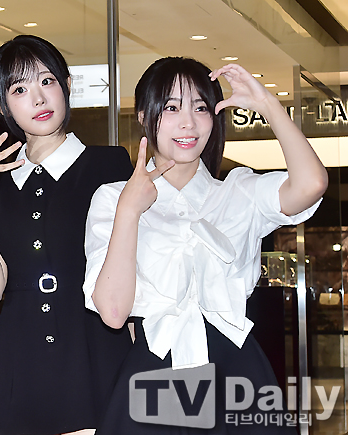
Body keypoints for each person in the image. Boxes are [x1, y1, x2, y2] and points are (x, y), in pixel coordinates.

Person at [83, 58, 327, 433]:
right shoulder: (114, 198)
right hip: (156, 367)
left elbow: (312, 184)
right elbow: (114, 313)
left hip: (237, 371)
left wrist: (268, 105)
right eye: (171, 107)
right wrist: (129, 211)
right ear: (144, 115)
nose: (188, 123)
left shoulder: (239, 192)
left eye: (200, 108)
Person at [0, 35, 133, 435]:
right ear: (1, 106)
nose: (38, 98)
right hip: (20, 365)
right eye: (19, 89)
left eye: (47, 81)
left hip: (94, 352)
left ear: (66, 85)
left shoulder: (110, 165)